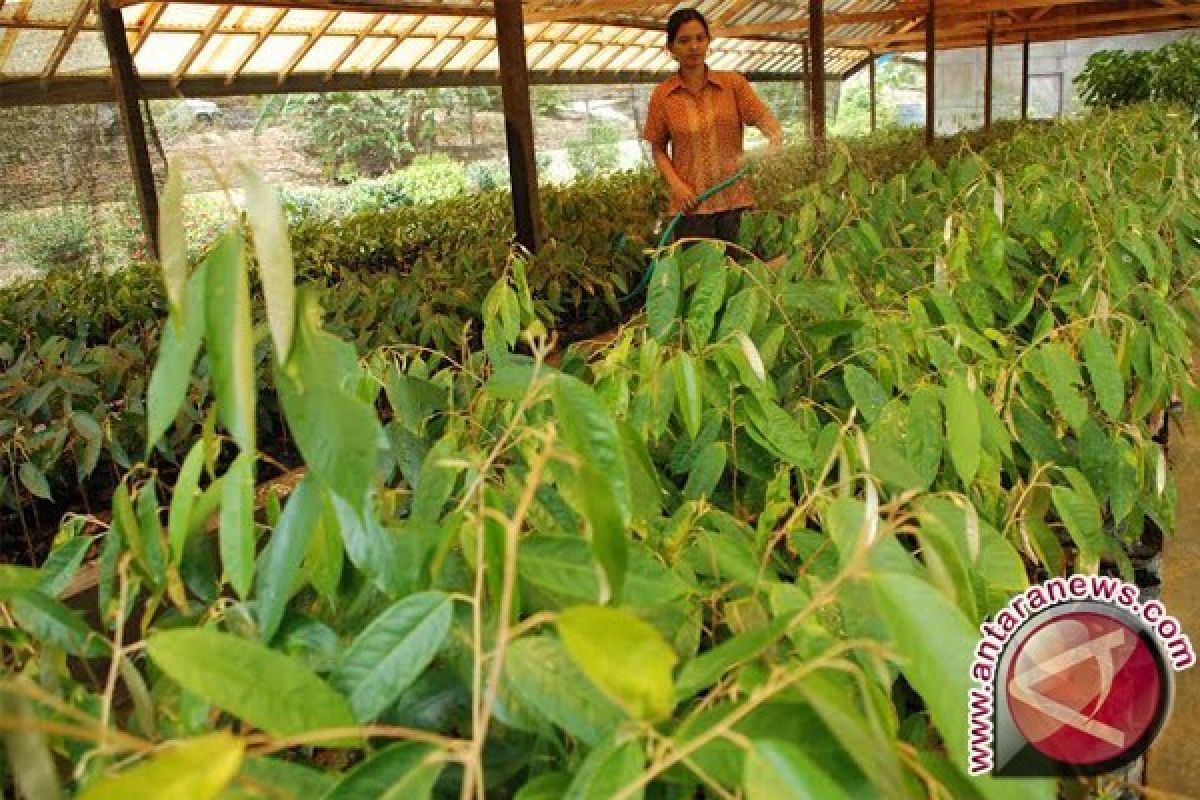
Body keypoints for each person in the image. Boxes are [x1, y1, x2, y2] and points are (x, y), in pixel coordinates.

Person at [642, 8, 784, 246]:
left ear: (709, 42)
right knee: (701, 280)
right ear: (671, 48)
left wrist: (774, 138)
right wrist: (678, 187)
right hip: (691, 207)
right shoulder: (663, 96)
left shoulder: (733, 84)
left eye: (700, 38)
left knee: (742, 274)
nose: (694, 47)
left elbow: (762, 117)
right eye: (684, 40)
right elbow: (658, 149)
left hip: (736, 202)